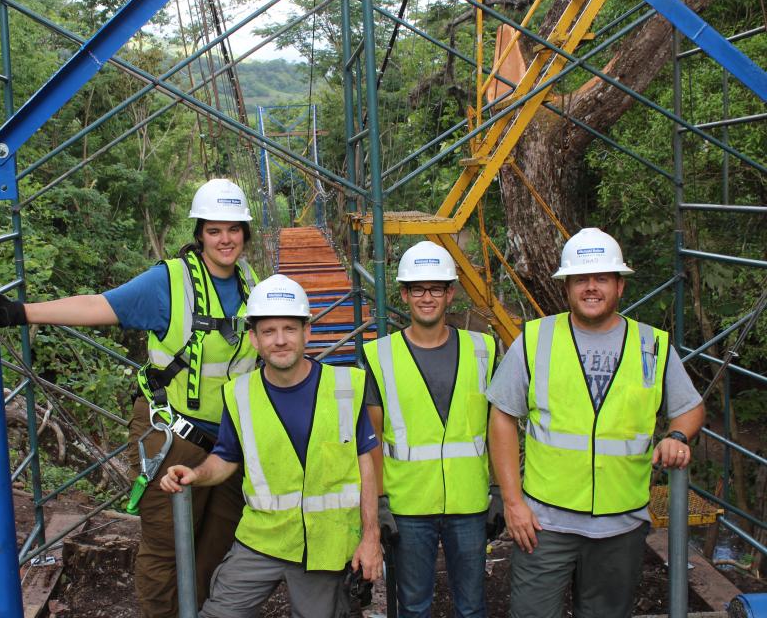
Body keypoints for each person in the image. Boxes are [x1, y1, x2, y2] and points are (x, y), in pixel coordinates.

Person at [0, 178, 259, 618]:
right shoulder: (169, 283)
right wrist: (22, 313)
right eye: (214, 230)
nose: (225, 239)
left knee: (218, 545)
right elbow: (99, 307)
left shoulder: (250, 282)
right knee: (167, 547)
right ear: (199, 234)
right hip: (174, 435)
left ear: (245, 234)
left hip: (231, 441)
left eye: (233, 229)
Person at [487, 227, 705, 618]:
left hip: (621, 525)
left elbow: (691, 407)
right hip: (544, 523)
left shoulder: (651, 345)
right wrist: (513, 501)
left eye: (601, 278)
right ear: (567, 286)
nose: (591, 287)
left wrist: (677, 435)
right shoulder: (535, 340)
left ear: (619, 285)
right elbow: (502, 415)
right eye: (581, 279)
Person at [160, 274, 383, 618]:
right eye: (268, 331)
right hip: (261, 540)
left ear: (307, 332)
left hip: (324, 545)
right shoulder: (239, 394)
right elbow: (226, 457)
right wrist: (196, 474)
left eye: (289, 329)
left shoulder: (345, 387)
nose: (280, 340)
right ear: (254, 338)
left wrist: (371, 537)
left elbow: (365, 464)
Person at [362, 241, 496, 618]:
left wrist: (499, 493)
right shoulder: (380, 355)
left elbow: (498, 427)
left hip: (469, 504)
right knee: (414, 607)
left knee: (472, 607)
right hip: (407, 507)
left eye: (435, 288)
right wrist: (380, 503)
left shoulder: (483, 350)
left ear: (449, 292)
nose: (427, 297)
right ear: (404, 294)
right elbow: (371, 438)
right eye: (417, 288)